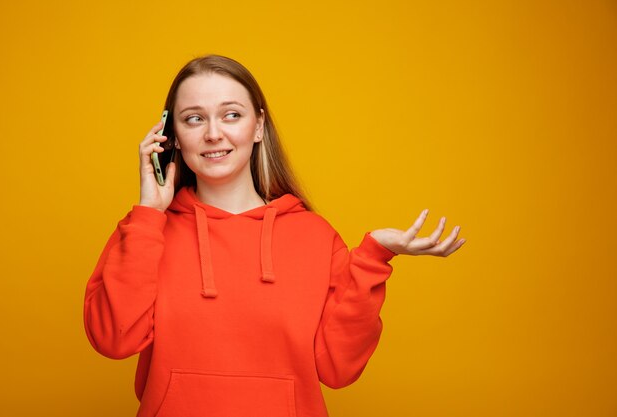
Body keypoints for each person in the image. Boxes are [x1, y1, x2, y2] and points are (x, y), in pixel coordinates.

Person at [83, 54, 466, 417]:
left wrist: (372, 258)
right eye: (194, 119)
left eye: (231, 115)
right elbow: (113, 341)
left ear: (258, 126)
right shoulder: (145, 232)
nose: (214, 133)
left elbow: (338, 369)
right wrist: (150, 212)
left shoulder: (314, 236)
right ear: (173, 137)